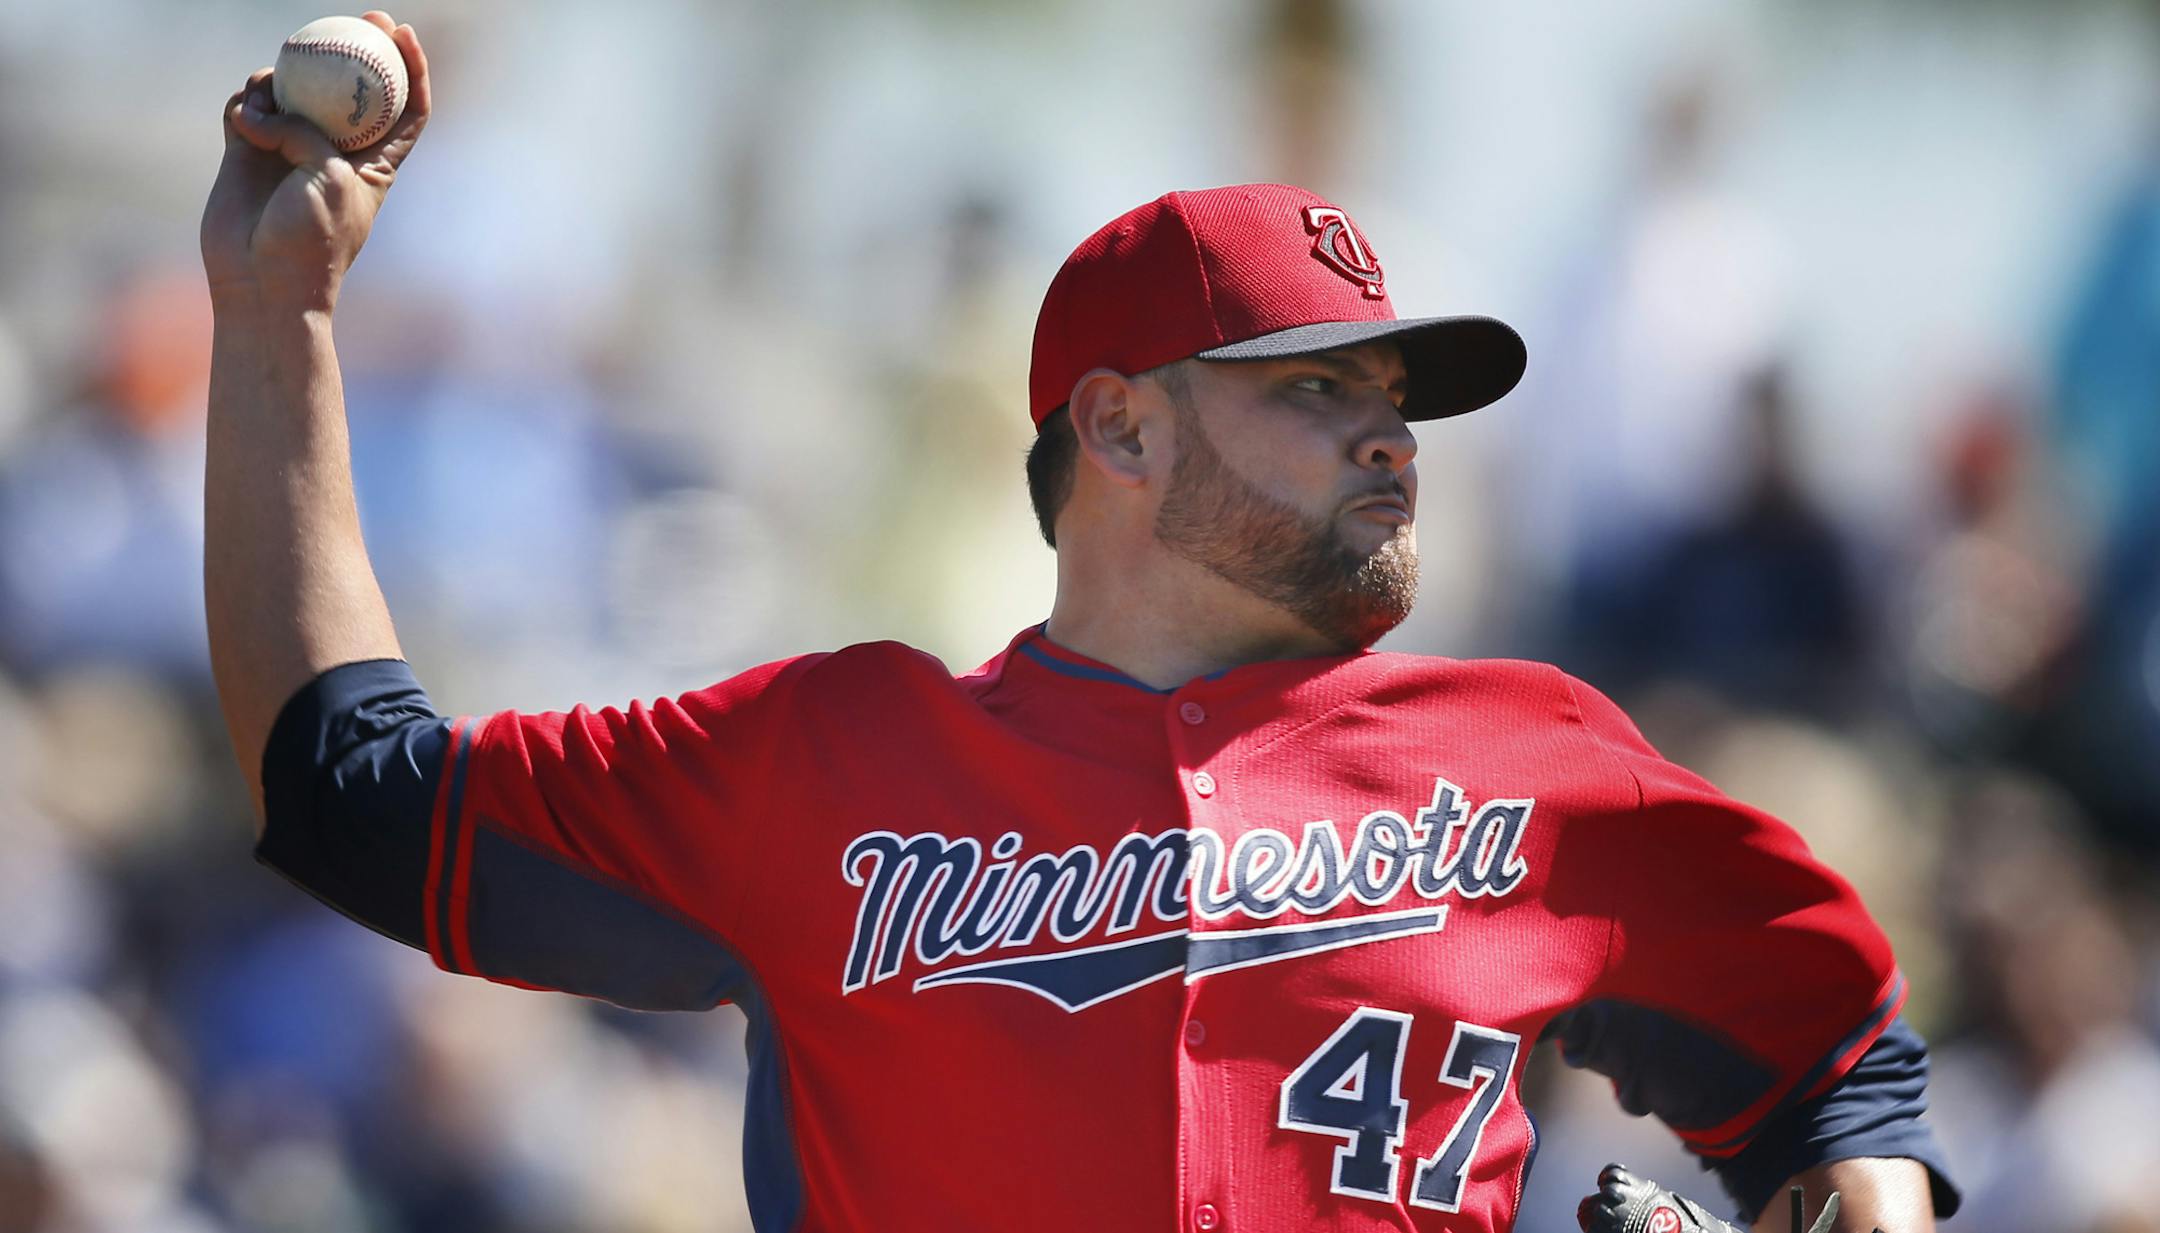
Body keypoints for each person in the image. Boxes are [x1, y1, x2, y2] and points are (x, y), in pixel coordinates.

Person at [202, 14, 1957, 1232]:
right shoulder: (832, 759)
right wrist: (281, 316)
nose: (1388, 430)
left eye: (1399, 395)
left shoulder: (1542, 761)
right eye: (1315, 384)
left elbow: (1836, 1056)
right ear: (1118, 426)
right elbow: (353, 786)